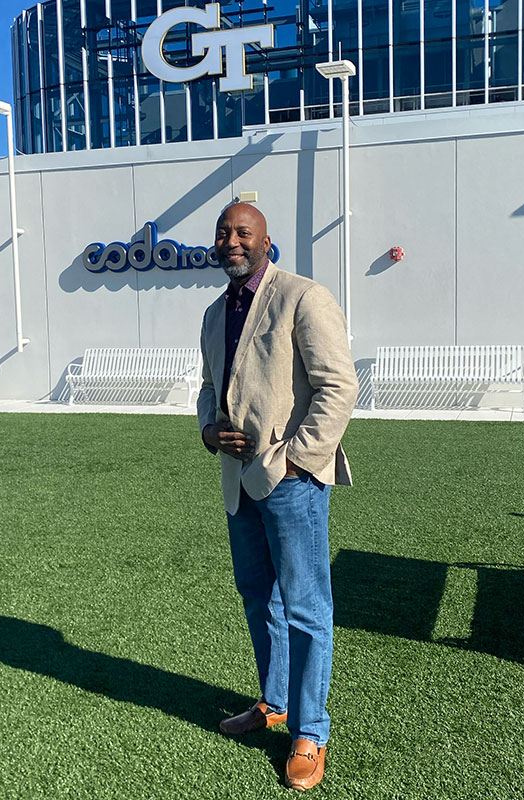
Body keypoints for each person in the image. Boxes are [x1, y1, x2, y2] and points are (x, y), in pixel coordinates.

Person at [197, 202, 358, 791]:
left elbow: (338, 387)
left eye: (244, 232)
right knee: (257, 597)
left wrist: (295, 457)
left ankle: (310, 732)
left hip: (292, 482)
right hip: (238, 481)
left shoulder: (303, 297)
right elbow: (210, 389)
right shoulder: (215, 314)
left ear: (267, 241)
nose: (232, 241)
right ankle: (275, 704)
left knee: (307, 608)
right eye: (224, 232)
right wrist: (209, 431)